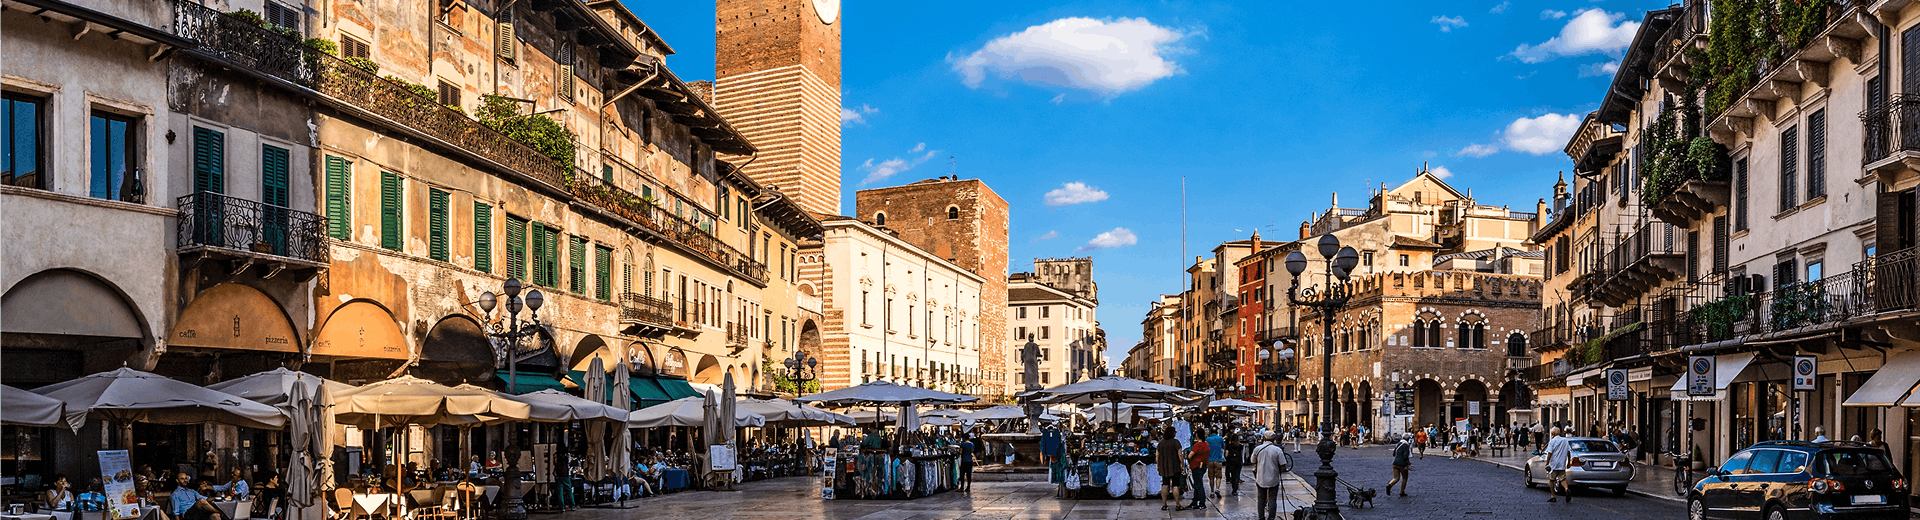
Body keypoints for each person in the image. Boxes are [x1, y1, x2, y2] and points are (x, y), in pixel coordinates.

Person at [1252, 432, 1288, 520]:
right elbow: (1283, 464)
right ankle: (1271, 518)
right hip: (1273, 477)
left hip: (1260, 477)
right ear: (1274, 439)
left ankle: (1261, 517)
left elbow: (1253, 461)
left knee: (1261, 498)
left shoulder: (1257, 449)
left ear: (1264, 438)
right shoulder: (1277, 450)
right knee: (1272, 499)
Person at [1156, 427, 1184, 511]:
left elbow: (1157, 455)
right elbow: (1180, 455)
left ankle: (1164, 504)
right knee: (1175, 485)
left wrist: (1158, 465)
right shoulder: (1176, 442)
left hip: (1164, 467)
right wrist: (1182, 465)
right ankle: (1177, 504)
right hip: (1175, 467)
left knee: (1165, 484)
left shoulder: (1161, 443)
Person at [1544, 428, 1574, 503]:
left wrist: (1547, 463)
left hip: (1553, 464)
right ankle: (1566, 489)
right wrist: (1568, 462)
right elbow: (1568, 452)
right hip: (1562, 463)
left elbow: (1549, 453)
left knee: (1552, 479)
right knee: (1563, 478)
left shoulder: (1552, 441)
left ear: (1553, 433)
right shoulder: (1565, 440)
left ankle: (1553, 496)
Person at [1184, 429, 1210, 511]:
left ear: (1197, 435)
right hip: (1203, 466)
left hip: (1196, 466)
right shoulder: (1206, 444)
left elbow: (1190, 456)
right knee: (1197, 484)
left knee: (1199, 485)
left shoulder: (1197, 445)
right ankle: (1194, 502)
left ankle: (1202, 503)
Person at [1205, 429, 1225, 498]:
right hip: (1218, 460)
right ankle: (1217, 489)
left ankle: (1212, 491)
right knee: (1218, 476)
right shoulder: (1220, 438)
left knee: (1211, 477)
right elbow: (1223, 446)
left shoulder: (1207, 439)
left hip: (1210, 460)